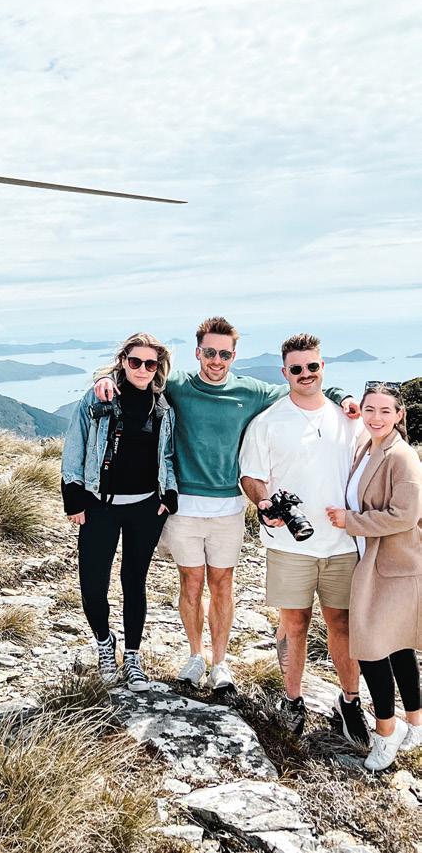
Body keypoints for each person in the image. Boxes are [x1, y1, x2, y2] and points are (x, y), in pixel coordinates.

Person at [94, 317, 358, 691]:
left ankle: (220, 663)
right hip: (184, 507)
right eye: (210, 352)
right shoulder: (177, 385)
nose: (216, 360)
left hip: (229, 507)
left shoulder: (250, 391)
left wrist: (342, 396)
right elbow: (137, 375)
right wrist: (105, 380)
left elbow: (303, 385)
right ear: (197, 352)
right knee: (190, 583)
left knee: (222, 585)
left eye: (224, 354)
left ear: (234, 355)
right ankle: (195, 656)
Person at [239, 334, 369, 745]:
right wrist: (263, 503)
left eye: (312, 366)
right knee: (293, 623)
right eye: (297, 368)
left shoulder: (349, 419)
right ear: (285, 373)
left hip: (343, 544)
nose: (306, 374)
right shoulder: (268, 422)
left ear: (322, 367)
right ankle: (292, 699)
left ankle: (350, 702)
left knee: (342, 624)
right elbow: (251, 476)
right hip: (289, 545)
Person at [61, 333, 178, 691]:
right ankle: (103, 641)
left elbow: (167, 455)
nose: (142, 369)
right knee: (92, 585)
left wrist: (169, 494)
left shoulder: (163, 406)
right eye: (135, 361)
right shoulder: (99, 397)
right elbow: (75, 444)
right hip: (100, 506)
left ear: (158, 367)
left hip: (146, 508)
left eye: (150, 363)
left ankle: (132, 656)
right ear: (123, 361)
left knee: (134, 583)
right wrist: (74, 497)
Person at [327, 383, 422, 771]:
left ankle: (386, 732)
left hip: (393, 566)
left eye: (385, 411)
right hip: (376, 561)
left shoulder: (402, 456)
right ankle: (416, 722)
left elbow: (406, 515)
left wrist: (351, 521)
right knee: (397, 645)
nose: (376, 417)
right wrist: (340, 397)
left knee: (369, 647)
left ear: (399, 414)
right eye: (370, 409)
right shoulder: (368, 445)